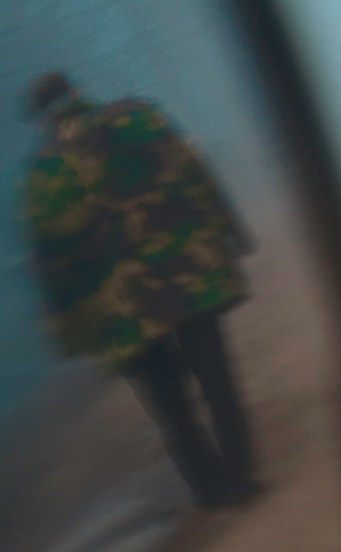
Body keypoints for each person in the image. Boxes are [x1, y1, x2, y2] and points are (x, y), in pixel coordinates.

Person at [22, 72, 259, 506]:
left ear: (40, 120)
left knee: (171, 407)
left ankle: (209, 491)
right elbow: (194, 172)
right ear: (76, 92)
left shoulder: (45, 176)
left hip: (122, 308)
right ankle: (242, 478)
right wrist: (231, 232)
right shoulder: (138, 117)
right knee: (217, 380)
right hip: (187, 275)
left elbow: (53, 259)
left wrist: (68, 329)